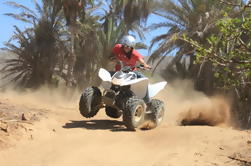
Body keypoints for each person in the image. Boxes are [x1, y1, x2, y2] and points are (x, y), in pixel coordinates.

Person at [109, 35, 151, 102]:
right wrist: (113, 58)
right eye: (125, 45)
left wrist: (145, 65)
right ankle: (106, 93)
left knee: (144, 79)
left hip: (132, 71)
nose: (126, 48)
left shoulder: (134, 53)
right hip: (119, 71)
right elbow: (112, 55)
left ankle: (147, 101)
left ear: (132, 47)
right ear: (123, 45)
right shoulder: (117, 47)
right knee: (106, 74)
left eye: (129, 47)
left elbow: (140, 59)